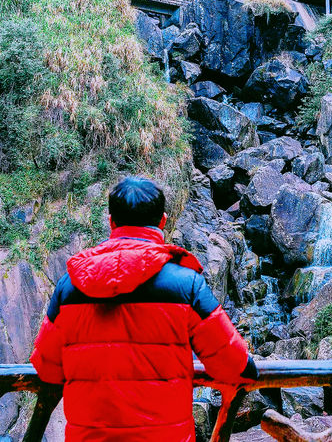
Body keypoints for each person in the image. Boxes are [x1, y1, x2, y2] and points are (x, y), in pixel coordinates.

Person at [31, 176, 258, 442]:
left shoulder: (70, 286)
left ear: (111, 221)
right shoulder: (186, 284)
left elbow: (46, 368)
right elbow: (233, 365)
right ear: (162, 221)